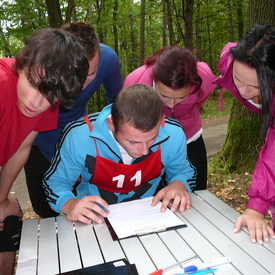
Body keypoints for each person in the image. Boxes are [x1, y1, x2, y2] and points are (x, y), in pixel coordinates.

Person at [0, 28, 88, 275]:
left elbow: (22, 148)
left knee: (9, 222)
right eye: (32, 84)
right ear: (22, 64)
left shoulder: (48, 104)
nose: (36, 103)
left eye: (50, 96)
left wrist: (2, 200)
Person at [42, 84, 196, 224]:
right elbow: (55, 182)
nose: (144, 151)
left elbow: (183, 172)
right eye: (133, 142)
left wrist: (179, 184)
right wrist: (69, 204)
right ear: (111, 124)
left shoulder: (172, 133)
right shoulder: (80, 136)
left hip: (150, 217)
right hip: (94, 221)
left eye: (152, 139)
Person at [24, 22, 123, 218]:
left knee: (86, 203)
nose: (80, 83)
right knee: (45, 207)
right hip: (37, 140)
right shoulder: (42, 67)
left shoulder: (109, 59)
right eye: (73, 74)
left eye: (90, 75)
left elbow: (118, 104)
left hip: (77, 138)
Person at [123, 46, 217, 191]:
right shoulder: (134, 83)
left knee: (196, 191)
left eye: (181, 97)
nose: (171, 104)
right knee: (152, 193)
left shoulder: (205, 78)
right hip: (150, 144)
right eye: (164, 96)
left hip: (189, 139)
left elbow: (201, 100)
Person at [214, 24, 275, 244]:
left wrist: (257, 206)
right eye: (238, 80)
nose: (243, 92)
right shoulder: (229, 59)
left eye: (255, 87)